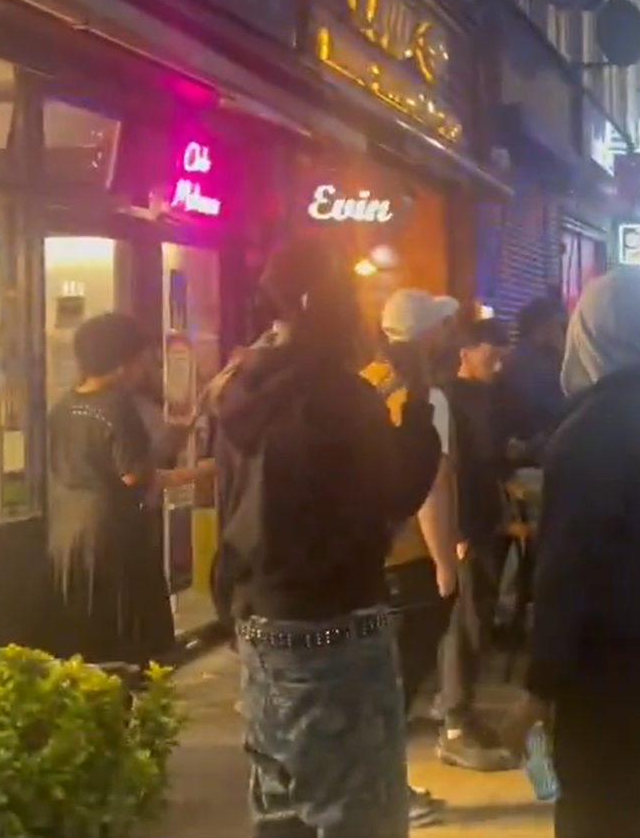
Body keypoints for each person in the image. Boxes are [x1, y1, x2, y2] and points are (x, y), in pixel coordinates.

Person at [213, 239, 443, 838]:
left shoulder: (240, 391)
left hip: (261, 626)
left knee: (281, 812)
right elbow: (395, 494)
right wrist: (418, 410)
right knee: (357, 814)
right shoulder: (342, 398)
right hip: (336, 632)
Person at [502, 271, 640, 838]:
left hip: (610, 677)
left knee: (598, 817)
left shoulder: (587, 435)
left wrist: (539, 687)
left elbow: (567, 575)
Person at [364, 288, 464, 828]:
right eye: (442, 329)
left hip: (366, 558)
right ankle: (388, 793)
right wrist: (445, 564)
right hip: (407, 559)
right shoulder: (426, 399)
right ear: (426, 337)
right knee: (397, 685)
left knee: (377, 683)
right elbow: (433, 485)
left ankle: (381, 789)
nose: (450, 339)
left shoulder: (365, 382)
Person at [45, 312, 173, 667]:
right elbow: (133, 475)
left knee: (84, 647)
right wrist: (200, 471)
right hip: (113, 539)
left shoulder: (62, 406)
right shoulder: (117, 405)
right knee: (127, 651)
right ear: (122, 363)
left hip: (67, 539)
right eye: (142, 359)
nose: (144, 368)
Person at [436, 317, 519, 773]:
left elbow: (493, 459)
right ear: (465, 350)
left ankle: (462, 712)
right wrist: (457, 533)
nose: (499, 357)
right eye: (491, 347)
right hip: (466, 528)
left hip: (488, 524)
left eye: (503, 348)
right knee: (463, 625)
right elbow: (449, 471)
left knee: (479, 621)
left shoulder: (489, 397)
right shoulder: (448, 399)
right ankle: (453, 724)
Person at [496, 295, 569, 456]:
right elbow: (561, 419)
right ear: (543, 329)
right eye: (562, 326)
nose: (566, 332)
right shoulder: (539, 367)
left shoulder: (516, 359)